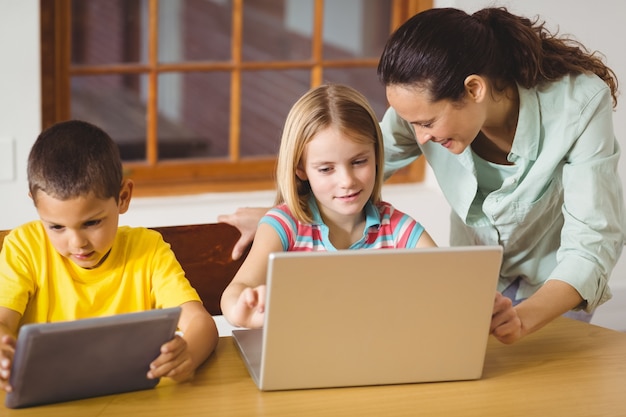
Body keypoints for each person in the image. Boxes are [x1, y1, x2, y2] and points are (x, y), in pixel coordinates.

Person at [219, 7, 625, 344]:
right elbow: (356, 158)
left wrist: (522, 317)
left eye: (427, 122)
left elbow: (591, 243)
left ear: (474, 89)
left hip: (553, 283)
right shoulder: (419, 109)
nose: (419, 137)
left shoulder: (578, 106)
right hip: (475, 279)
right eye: (409, 122)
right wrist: (288, 210)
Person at [0, 120, 218, 393]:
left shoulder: (148, 250)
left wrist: (188, 355)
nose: (77, 242)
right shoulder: (25, 246)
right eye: (56, 227)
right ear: (35, 203)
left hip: (132, 401)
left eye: (92, 223)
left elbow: (201, 323)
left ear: (123, 197)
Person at [220, 84, 437, 328]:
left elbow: (446, 279)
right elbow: (235, 292)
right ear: (300, 170)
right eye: (326, 169)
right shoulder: (284, 226)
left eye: (358, 161)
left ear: (376, 156)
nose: (346, 181)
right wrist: (241, 310)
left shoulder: (397, 229)